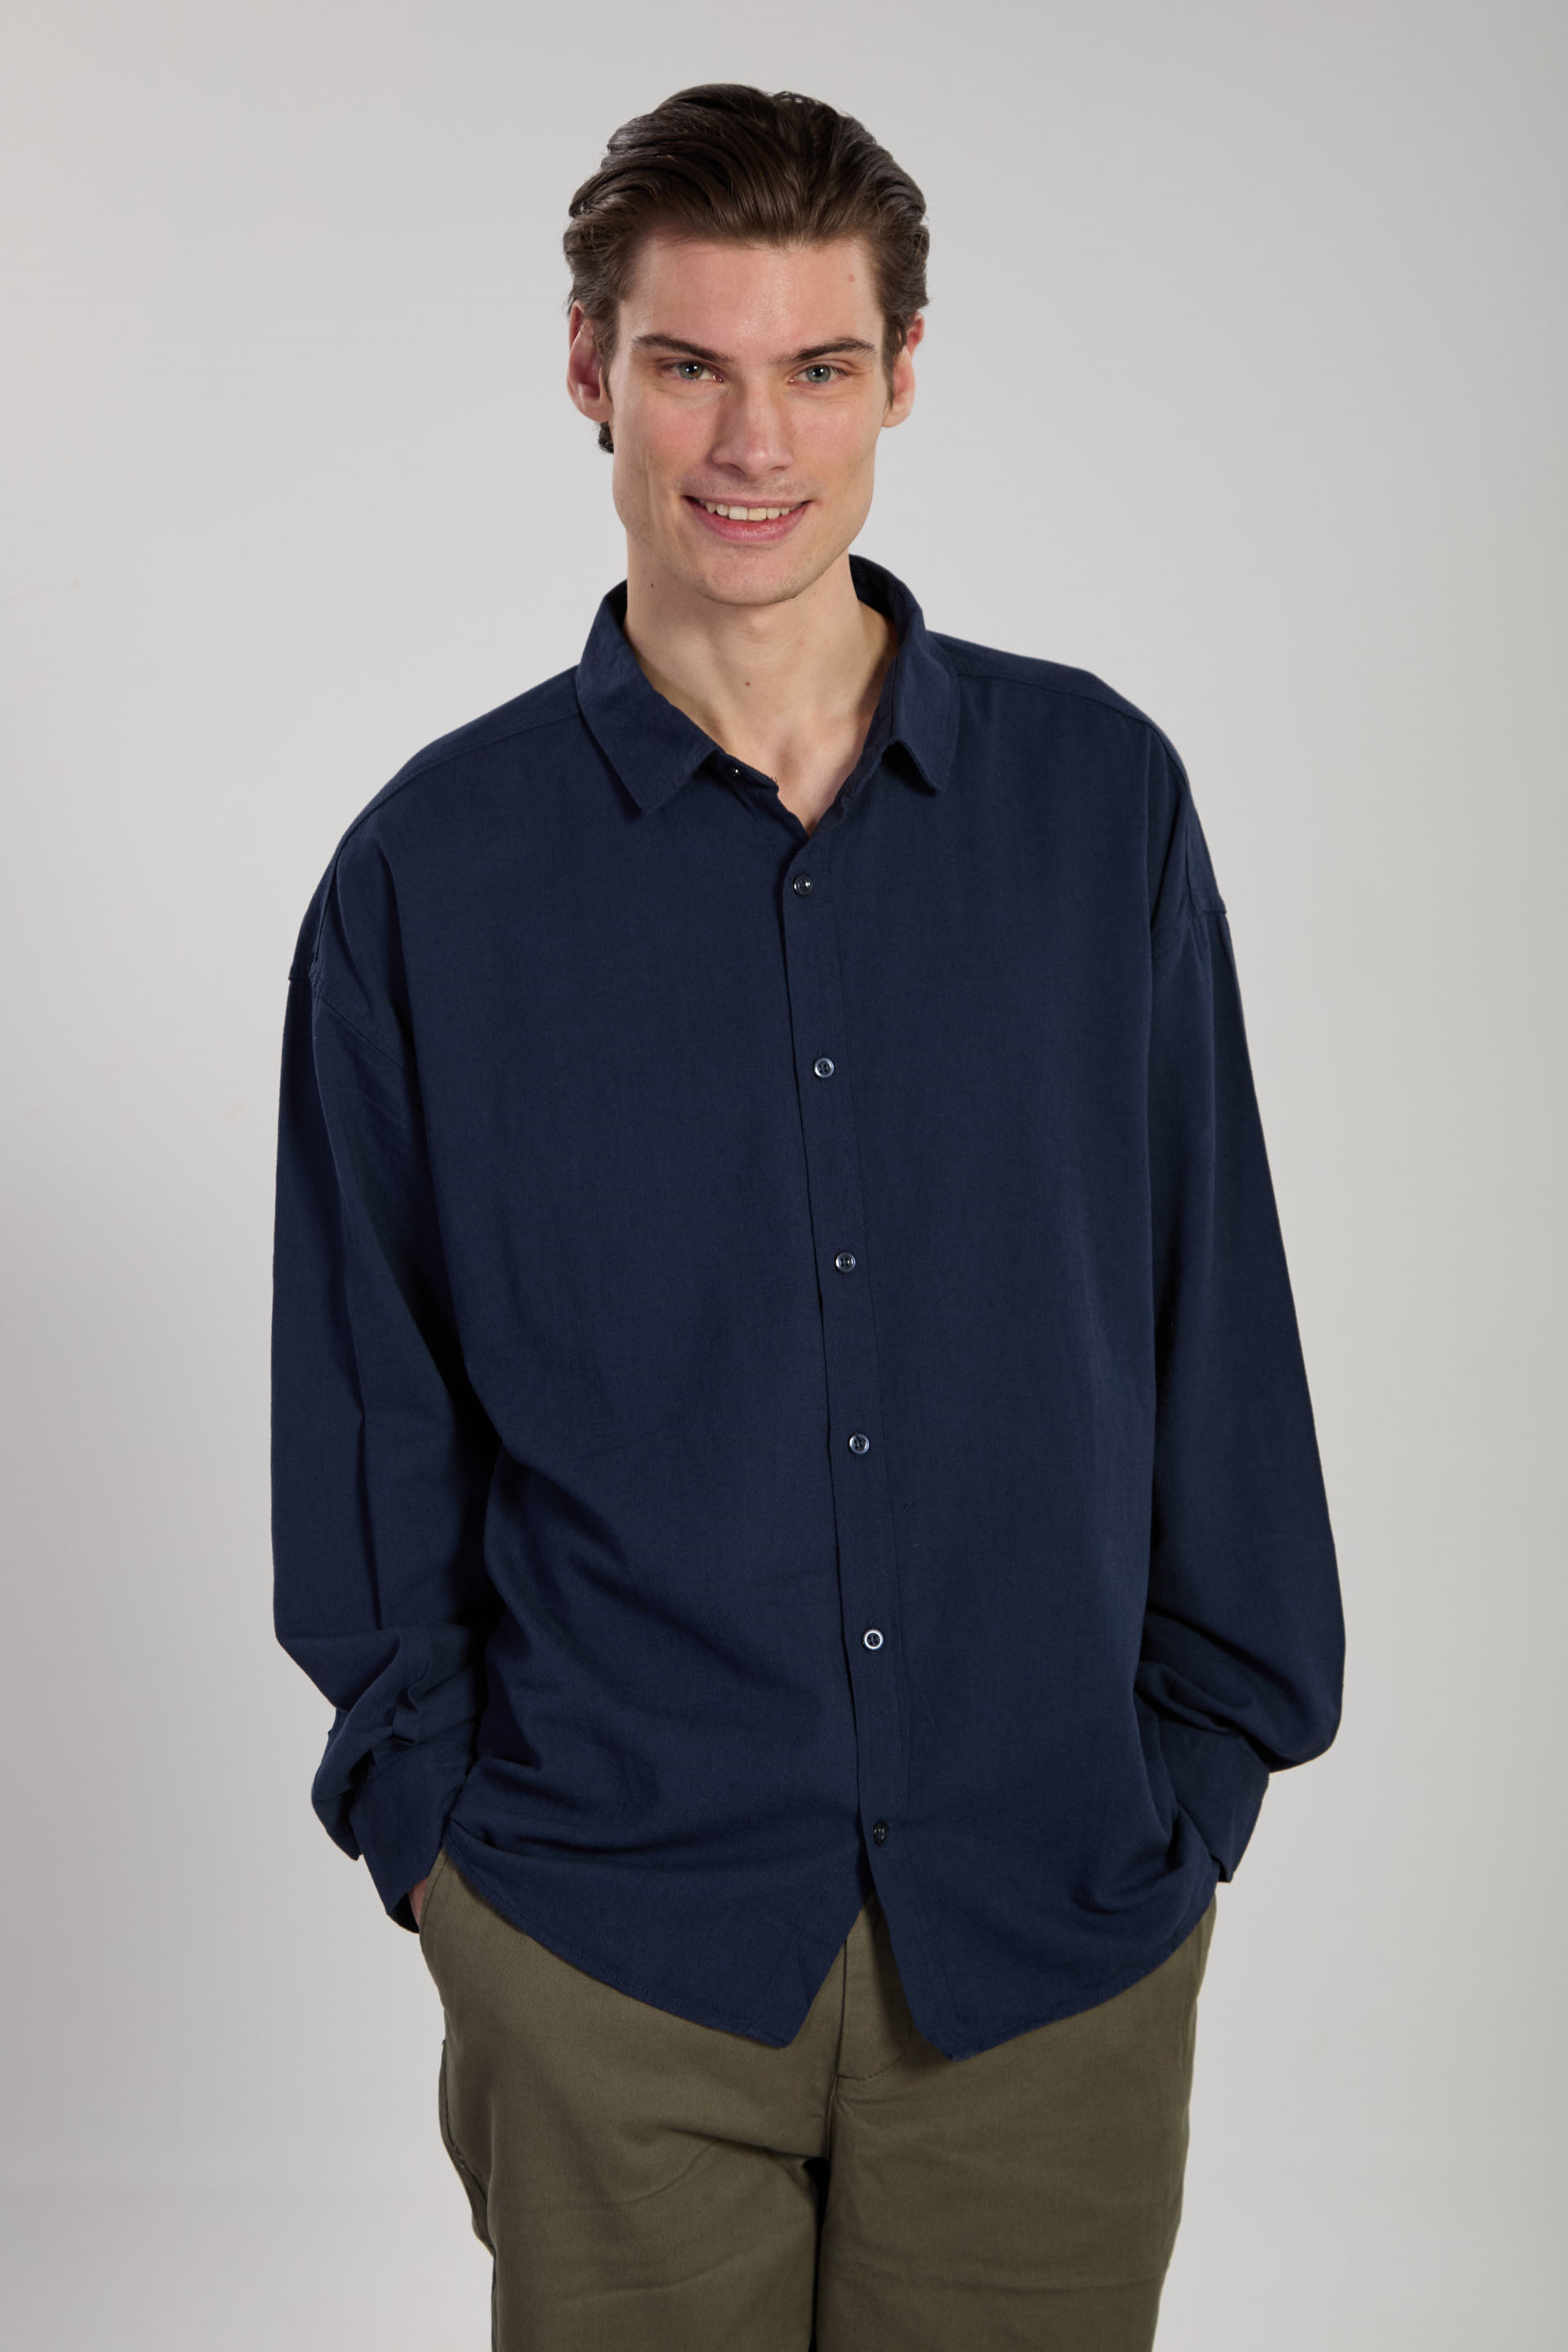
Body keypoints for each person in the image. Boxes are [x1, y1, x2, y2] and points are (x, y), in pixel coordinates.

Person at [271, 82, 1344, 2352]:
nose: (755, 442)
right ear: (591, 370)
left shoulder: (1098, 809)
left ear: (903, 376)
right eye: (691, 365)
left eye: (819, 366)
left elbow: (1213, 1311)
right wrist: (442, 1848)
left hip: (1052, 1936)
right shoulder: (429, 877)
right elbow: (362, 1408)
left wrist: (1200, 1777)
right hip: (609, 1952)